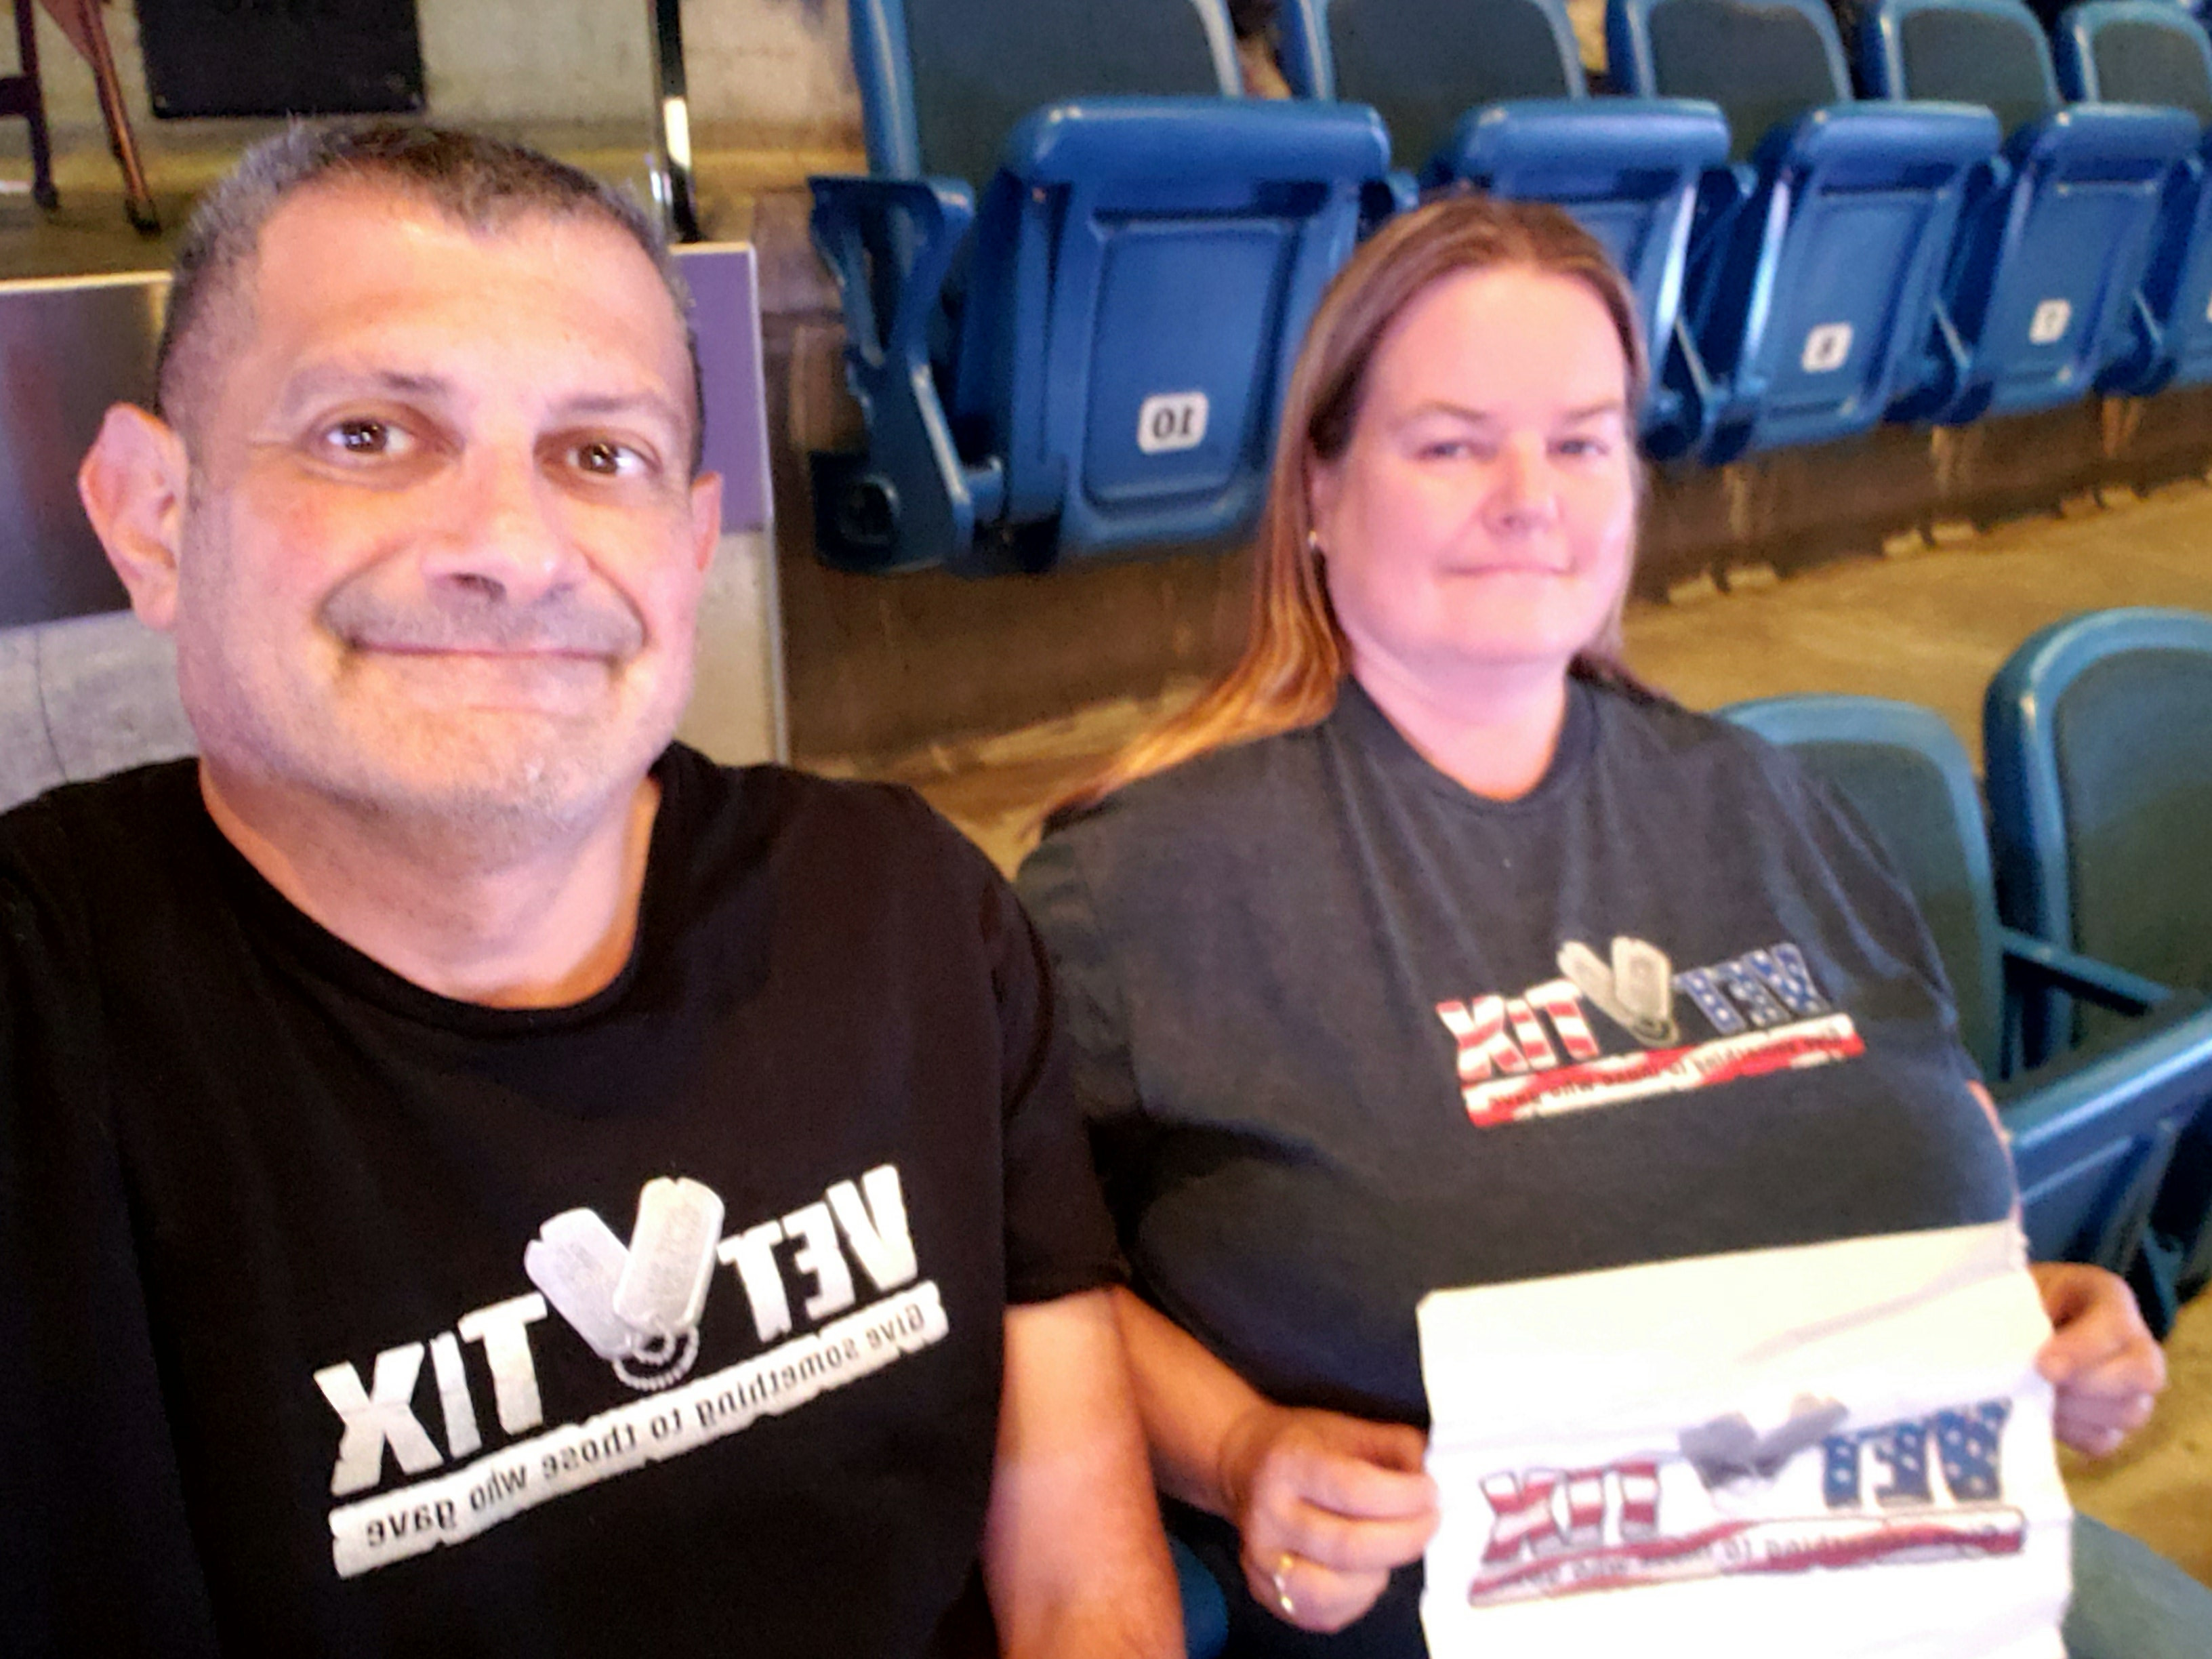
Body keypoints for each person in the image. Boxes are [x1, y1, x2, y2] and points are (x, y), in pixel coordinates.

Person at [0, 124, 1179, 1658]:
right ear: (155, 515)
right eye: (368, 433)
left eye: (598, 454)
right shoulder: (47, 1028)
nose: (511, 547)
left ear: (687, 546)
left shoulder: (908, 914)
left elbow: (1083, 1585)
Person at [1017, 195, 2192, 1655]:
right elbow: (1028, 1294)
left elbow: (1928, 1165)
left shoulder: (1774, 805)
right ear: (1316, 490)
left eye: (1581, 443)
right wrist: (1239, 1449)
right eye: (1452, 445)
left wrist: (2030, 1318)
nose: (1532, 498)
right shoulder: (1140, 887)